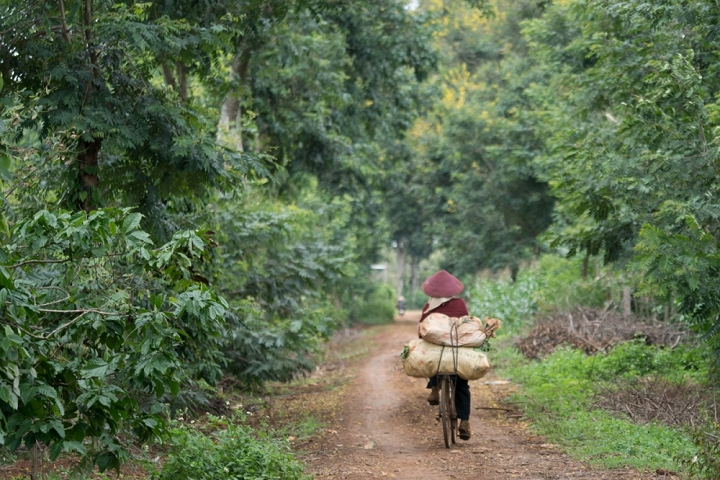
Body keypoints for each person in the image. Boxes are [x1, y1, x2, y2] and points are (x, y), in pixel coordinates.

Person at [418, 269, 473, 441]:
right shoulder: (460, 304)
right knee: (462, 384)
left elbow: (421, 332)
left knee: (432, 358)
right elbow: (466, 325)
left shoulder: (428, 306)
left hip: (438, 350)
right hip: (457, 347)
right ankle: (464, 421)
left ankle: (434, 387)